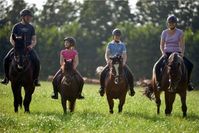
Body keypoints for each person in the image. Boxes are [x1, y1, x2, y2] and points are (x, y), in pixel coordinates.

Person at [1, 9, 40, 86]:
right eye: (27, 16)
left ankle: (35, 80)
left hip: (28, 48)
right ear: (22, 17)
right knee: (6, 59)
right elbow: (11, 38)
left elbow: (34, 39)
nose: (29, 18)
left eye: (30, 17)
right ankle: (6, 78)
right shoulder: (16, 26)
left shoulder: (31, 27)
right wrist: (15, 45)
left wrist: (31, 46)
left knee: (37, 60)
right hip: (18, 48)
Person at [154, 15, 194, 91]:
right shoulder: (164, 32)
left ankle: (188, 83)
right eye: (169, 23)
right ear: (167, 23)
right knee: (157, 66)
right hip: (167, 53)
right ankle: (159, 83)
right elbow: (161, 45)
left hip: (177, 53)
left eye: (172, 23)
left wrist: (182, 53)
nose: (171, 24)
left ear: (175, 23)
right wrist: (163, 53)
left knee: (190, 65)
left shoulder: (180, 32)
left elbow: (182, 44)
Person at [99, 28, 135, 97]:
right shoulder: (109, 44)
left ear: (120, 36)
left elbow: (124, 55)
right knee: (103, 73)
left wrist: (124, 62)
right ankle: (102, 88)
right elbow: (107, 54)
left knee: (130, 74)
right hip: (112, 63)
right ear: (113, 36)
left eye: (118, 35)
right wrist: (107, 61)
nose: (117, 37)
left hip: (120, 63)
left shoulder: (122, 45)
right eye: (116, 35)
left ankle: (131, 89)